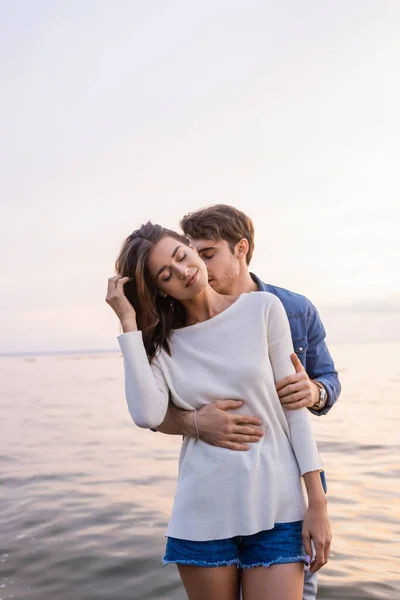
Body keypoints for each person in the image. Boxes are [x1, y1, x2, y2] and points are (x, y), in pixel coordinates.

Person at [106, 221, 332, 600]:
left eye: (182, 256)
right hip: (202, 517)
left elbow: (294, 413)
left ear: (191, 249)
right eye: (166, 274)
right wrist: (129, 323)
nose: (183, 271)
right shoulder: (162, 344)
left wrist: (318, 504)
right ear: (159, 289)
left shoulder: (263, 308)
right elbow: (147, 414)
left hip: (279, 509)